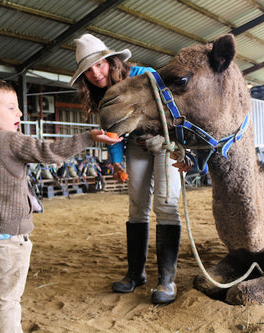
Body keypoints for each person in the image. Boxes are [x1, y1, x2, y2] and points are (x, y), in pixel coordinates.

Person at [0, 79, 122, 332]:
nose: (20, 113)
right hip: (8, 239)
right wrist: (88, 137)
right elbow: (48, 151)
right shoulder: (8, 140)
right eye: (12, 107)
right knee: (9, 301)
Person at [70, 34, 183, 304]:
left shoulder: (145, 75)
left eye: (99, 65)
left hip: (165, 143)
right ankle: (136, 273)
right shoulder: (101, 96)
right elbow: (112, 131)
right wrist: (116, 159)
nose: (95, 73)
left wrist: (166, 137)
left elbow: (172, 107)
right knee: (137, 206)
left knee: (166, 204)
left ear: (111, 61)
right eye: (87, 71)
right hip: (136, 146)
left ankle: (167, 280)